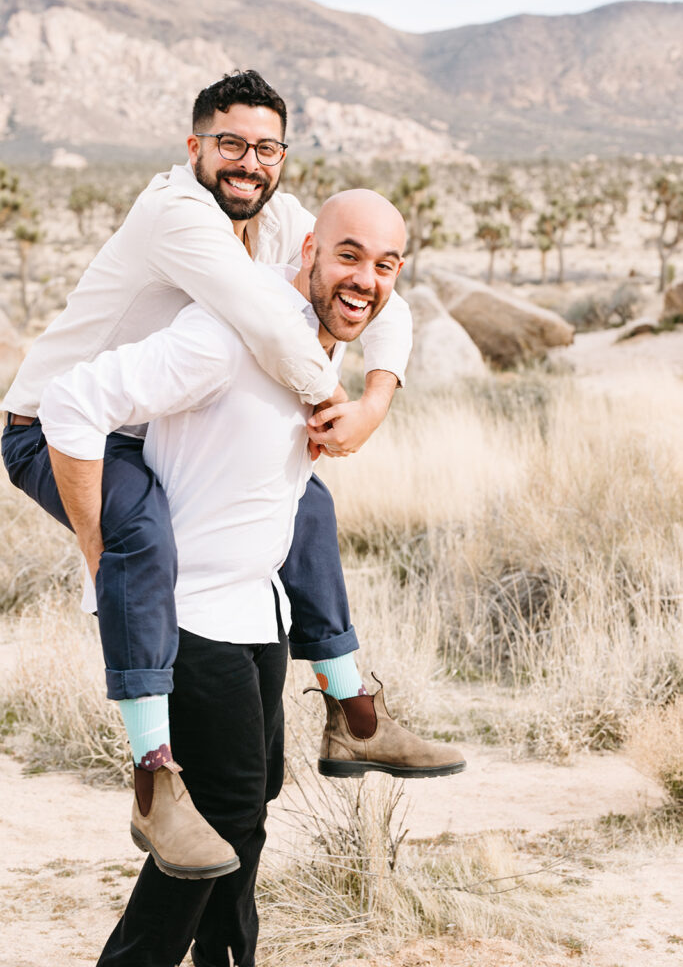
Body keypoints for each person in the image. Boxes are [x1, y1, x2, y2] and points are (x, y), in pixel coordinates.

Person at [1, 72, 462, 880]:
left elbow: (384, 297)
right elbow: (260, 323)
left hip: (145, 428)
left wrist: (374, 404)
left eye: (266, 147)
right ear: (196, 147)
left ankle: (354, 709)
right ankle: (154, 781)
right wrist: (331, 403)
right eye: (231, 144)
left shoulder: (280, 218)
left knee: (303, 505)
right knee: (139, 533)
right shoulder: (176, 214)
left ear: (282, 155)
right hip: (58, 428)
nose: (249, 162)